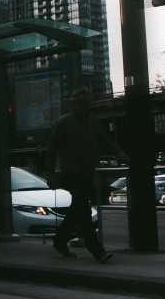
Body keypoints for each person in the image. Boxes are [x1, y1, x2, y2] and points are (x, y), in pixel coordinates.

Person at [45, 87, 129, 263]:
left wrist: (118, 152)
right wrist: (51, 174)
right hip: (71, 173)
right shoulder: (64, 122)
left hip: (89, 173)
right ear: (73, 104)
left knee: (77, 209)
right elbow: (52, 149)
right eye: (80, 103)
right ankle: (97, 250)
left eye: (87, 103)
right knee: (82, 209)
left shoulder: (93, 120)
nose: (84, 106)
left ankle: (60, 240)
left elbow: (104, 140)